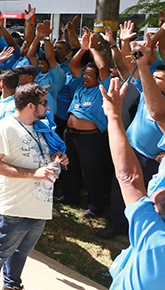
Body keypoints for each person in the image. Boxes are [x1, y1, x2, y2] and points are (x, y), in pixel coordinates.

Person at [0, 83, 68, 290]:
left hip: (39, 205)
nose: (47, 107)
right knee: (0, 251)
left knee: (21, 252)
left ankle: (12, 285)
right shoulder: (5, 128)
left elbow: (40, 153)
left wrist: (56, 157)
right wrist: (32, 174)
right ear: (30, 106)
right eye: (44, 103)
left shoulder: (40, 127)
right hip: (14, 207)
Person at [100, 49, 165, 289]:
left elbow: (130, 179)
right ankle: (117, 225)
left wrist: (113, 116)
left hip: (148, 161)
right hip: (134, 151)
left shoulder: (153, 233)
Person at [55, 31, 113, 219]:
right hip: (70, 135)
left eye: (90, 74)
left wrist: (94, 49)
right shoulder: (79, 86)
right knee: (69, 166)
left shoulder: (101, 88)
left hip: (90, 138)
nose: (86, 77)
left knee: (92, 171)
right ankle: (70, 197)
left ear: (98, 77)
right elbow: (73, 64)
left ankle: (96, 206)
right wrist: (83, 48)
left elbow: (103, 67)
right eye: (85, 74)